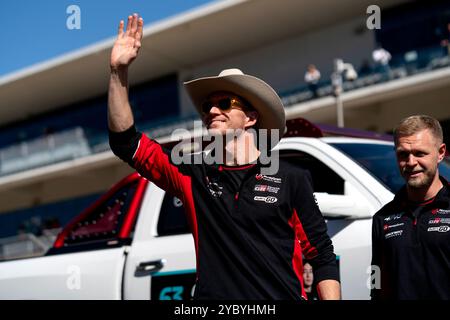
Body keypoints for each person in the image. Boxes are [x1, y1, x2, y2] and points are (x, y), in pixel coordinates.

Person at [108, 14, 340, 300]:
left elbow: (322, 254)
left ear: (251, 118)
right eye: (207, 105)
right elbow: (125, 142)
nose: (212, 111)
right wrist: (118, 73)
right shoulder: (191, 173)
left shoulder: (291, 177)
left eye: (224, 103)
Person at [371, 115, 450, 300]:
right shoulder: (382, 218)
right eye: (403, 154)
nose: (411, 162)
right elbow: (376, 283)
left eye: (420, 153)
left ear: (440, 153)